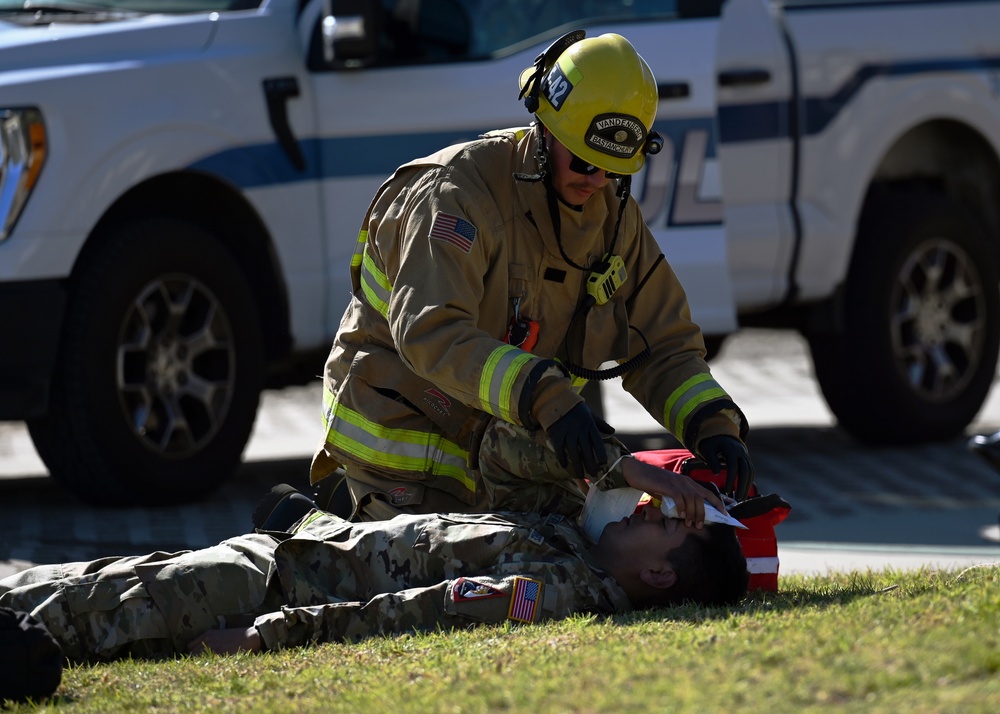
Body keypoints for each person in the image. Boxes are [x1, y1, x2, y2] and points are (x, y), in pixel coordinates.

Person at [309, 30, 754, 522]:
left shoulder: (610, 216)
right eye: (584, 160)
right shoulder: (457, 196)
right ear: (545, 131)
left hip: (503, 457)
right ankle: (315, 523)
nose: (596, 181)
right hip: (402, 462)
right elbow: (431, 335)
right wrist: (547, 395)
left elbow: (662, 343)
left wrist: (712, 424)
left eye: (614, 169)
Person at [0, 484, 748, 665]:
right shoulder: (567, 534)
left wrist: (268, 636)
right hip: (291, 555)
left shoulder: (553, 592)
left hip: (277, 589)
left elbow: (418, 611)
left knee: (97, 607)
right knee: (106, 575)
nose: (646, 507)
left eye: (664, 522)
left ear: (656, 575)